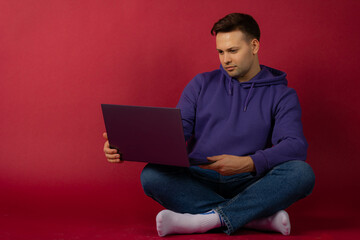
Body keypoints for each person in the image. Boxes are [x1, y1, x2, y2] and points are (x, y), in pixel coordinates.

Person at [103, 13, 315, 237]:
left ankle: (206, 220)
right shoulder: (201, 83)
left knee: (301, 173)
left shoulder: (282, 94)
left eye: (233, 51)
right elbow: (176, 132)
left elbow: (295, 145)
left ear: (254, 46)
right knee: (152, 176)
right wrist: (126, 146)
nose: (226, 60)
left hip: (249, 180)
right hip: (199, 178)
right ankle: (252, 217)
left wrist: (248, 163)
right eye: (221, 52)